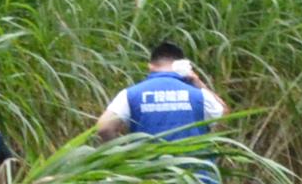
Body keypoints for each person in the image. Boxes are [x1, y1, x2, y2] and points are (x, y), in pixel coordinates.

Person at [94, 37, 230, 146]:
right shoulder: (200, 95)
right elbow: (224, 117)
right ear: (182, 65)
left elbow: (104, 128)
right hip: (194, 177)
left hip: (148, 176)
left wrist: (123, 157)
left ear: (150, 66)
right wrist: (198, 82)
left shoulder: (130, 94)